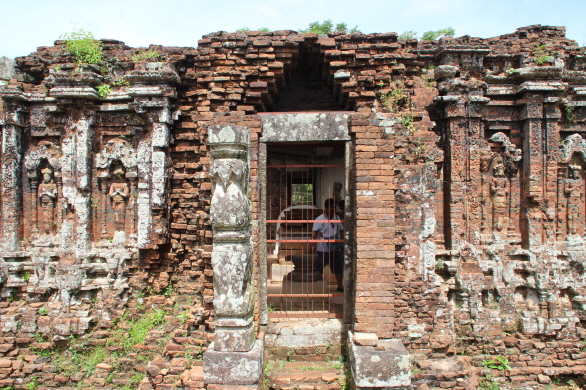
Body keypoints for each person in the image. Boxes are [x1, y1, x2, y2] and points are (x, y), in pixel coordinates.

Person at [312, 198, 344, 292]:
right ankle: (317, 286)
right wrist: (313, 246)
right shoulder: (319, 219)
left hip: (336, 248)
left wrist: (341, 242)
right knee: (319, 268)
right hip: (323, 248)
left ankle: (340, 285)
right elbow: (314, 233)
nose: (333, 209)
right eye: (331, 207)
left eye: (334, 207)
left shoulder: (337, 218)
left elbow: (341, 230)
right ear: (326, 207)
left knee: (338, 268)